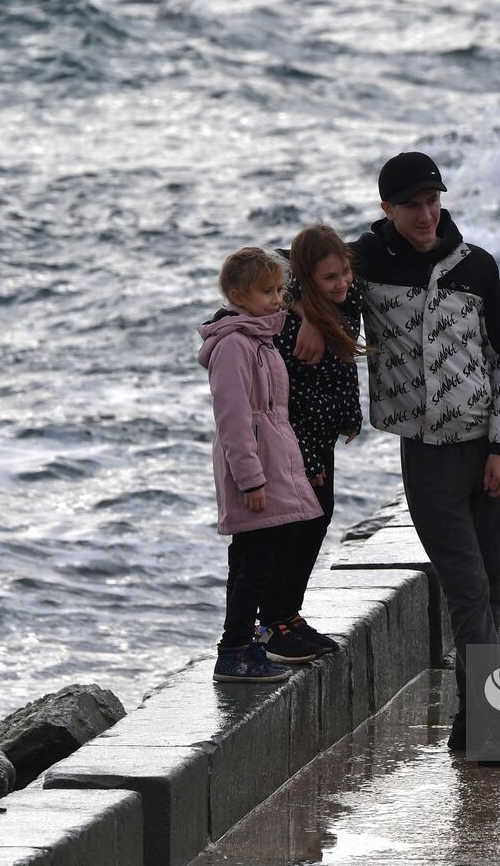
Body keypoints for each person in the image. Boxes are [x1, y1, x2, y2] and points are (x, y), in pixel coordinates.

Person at [295, 152, 500, 763]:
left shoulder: (476, 267)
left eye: (433, 201)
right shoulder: (364, 264)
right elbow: (291, 267)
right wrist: (308, 314)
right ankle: (492, 730)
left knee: (494, 590)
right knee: (469, 590)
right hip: (428, 459)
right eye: (411, 205)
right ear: (387, 210)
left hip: (489, 453)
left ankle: (470, 720)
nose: (426, 215)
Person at [198, 246, 324, 683]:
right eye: (266, 292)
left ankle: (245, 643)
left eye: (279, 290)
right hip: (253, 473)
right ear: (238, 295)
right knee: (252, 563)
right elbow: (233, 420)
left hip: (272, 464)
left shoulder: (260, 339)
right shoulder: (234, 345)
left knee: (261, 558)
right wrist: (251, 480)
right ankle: (233, 651)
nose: (276, 299)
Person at [254, 223, 366, 664]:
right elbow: (292, 399)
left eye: (344, 273)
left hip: (324, 435)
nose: (342, 284)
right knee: (296, 525)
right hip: (298, 441)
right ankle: (272, 623)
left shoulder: (346, 300)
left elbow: (341, 370)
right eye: (330, 278)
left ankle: (290, 615)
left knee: (320, 518)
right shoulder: (286, 328)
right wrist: (308, 455)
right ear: (305, 279)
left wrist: (316, 311)